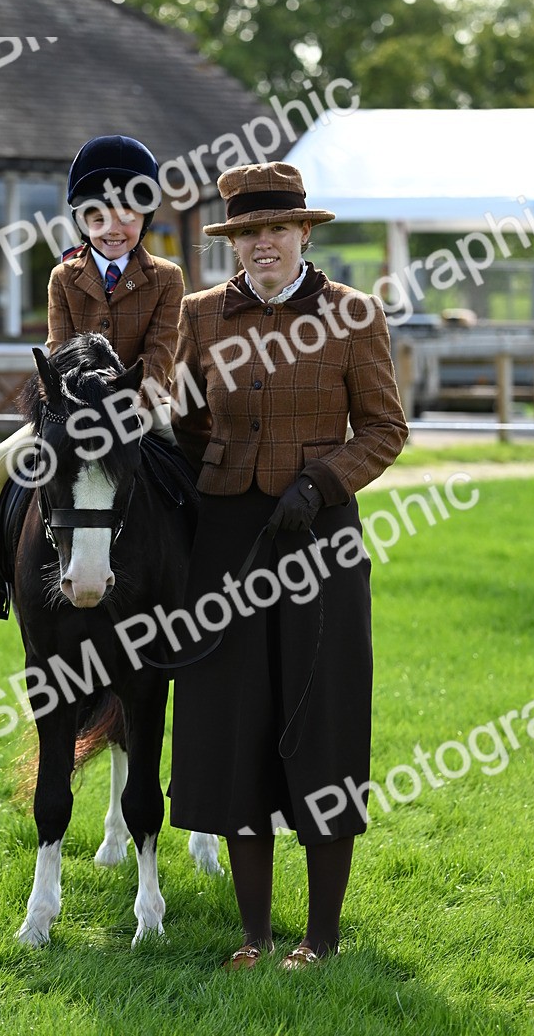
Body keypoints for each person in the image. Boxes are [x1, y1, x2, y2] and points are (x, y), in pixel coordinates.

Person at [168, 161, 409, 970]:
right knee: (234, 723)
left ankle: (322, 936)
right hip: (229, 541)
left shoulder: (353, 315)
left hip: (321, 538)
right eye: (246, 233)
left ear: (305, 232)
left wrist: (320, 481)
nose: (261, 244)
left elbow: (383, 428)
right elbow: (191, 425)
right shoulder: (199, 317)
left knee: (324, 720)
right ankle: (252, 935)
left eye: (275, 229)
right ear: (233, 242)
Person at [0, 134, 184, 619]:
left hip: (141, 405)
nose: (113, 227)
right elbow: (59, 351)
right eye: (98, 216)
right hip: (73, 407)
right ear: (81, 219)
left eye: (127, 215)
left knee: (193, 460)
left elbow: (161, 353)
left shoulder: (167, 277)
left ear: (145, 219)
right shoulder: (63, 277)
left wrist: (130, 408)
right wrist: (72, 408)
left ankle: (201, 569)